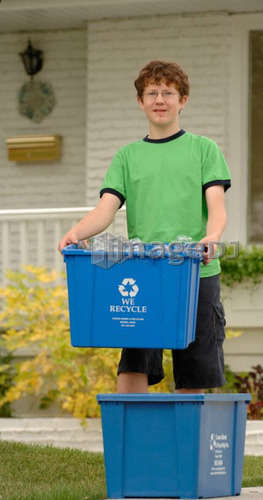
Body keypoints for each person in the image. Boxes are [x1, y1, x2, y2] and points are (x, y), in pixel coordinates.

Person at [58, 59, 231, 395]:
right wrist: (77, 232)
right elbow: (106, 210)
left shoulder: (204, 149)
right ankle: (133, 445)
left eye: (168, 92)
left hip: (196, 274)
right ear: (141, 101)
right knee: (133, 368)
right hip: (145, 274)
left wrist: (212, 237)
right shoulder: (127, 157)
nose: (160, 100)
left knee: (192, 374)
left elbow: (217, 209)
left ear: (183, 100)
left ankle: (183, 446)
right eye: (151, 93)